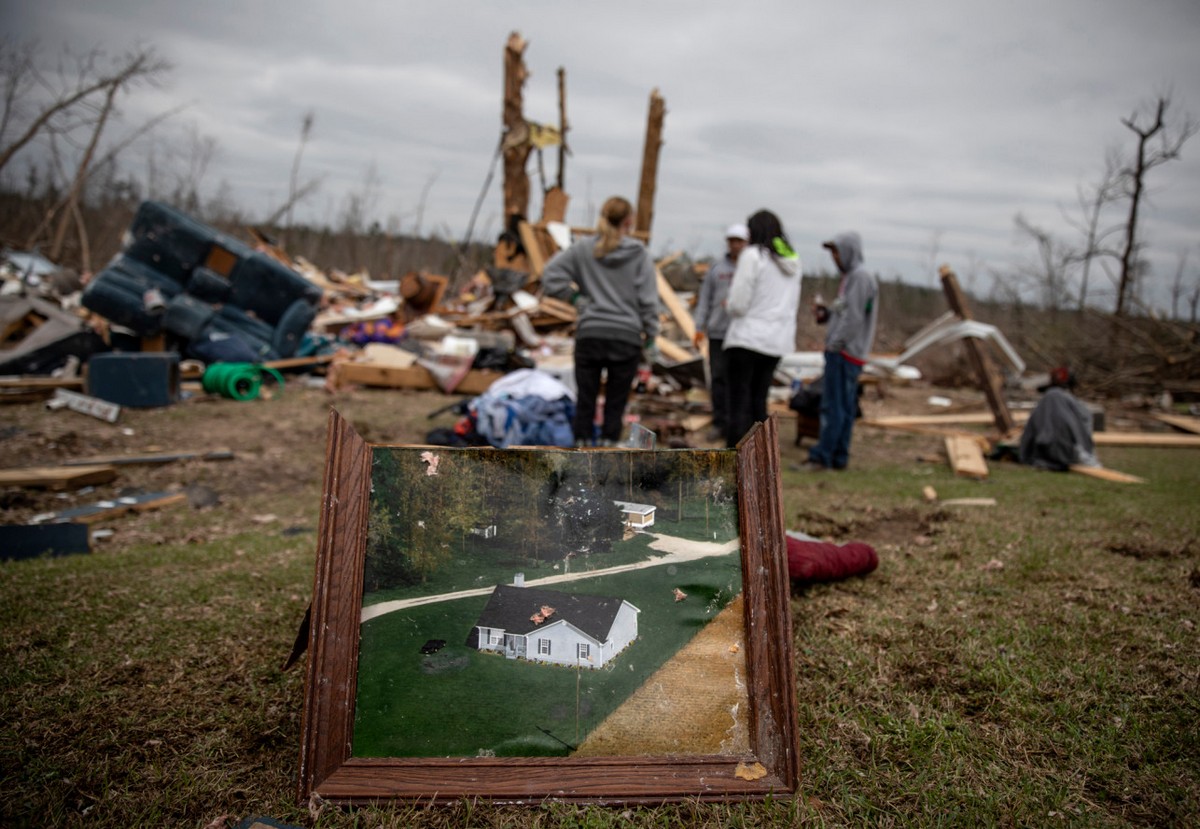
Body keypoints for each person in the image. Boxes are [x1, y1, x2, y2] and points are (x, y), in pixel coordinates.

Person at [542, 196, 660, 446]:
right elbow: (648, 300)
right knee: (615, 405)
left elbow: (550, 275)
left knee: (586, 399)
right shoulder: (639, 254)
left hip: (591, 334)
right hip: (626, 338)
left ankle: (580, 455)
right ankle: (608, 454)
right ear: (629, 221)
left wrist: (576, 298)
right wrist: (651, 337)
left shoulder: (583, 249)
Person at [723, 209, 802, 447]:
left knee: (738, 402)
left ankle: (734, 459)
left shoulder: (753, 255)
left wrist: (729, 305)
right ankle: (759, 459)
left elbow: (738, 303)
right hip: (776, 342)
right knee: (759, 401)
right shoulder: (793, 261)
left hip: (746, 339)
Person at [806, 231, 878, 470]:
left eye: (836, 251)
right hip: (846, 351)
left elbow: (854, 318)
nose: (834, 257)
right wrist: (826, 314)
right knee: (844, 407)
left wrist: (834, 345)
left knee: (833, 407)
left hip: (845, 353)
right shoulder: (850, 278)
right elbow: (844, 311)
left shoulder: (860, 277)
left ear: (849, 251)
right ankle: (838, 457)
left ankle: (823, 457)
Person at [691, 223, 749, 442]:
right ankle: (719, 422)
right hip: (717, 332)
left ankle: (739, 423)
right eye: (732, 241)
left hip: (742, 334)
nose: (735, 245)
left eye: (739, 241)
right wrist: (698, 327)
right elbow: (704, 299)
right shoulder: (717, 269)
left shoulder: (750, 268)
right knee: (718, 379)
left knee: (739, 380)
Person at [1018, 366, 1100, 470]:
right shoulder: (1072, 404)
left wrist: (1025, 455)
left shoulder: (1043, 403)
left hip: (1041, 454)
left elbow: (1028, 434)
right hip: (1067, 455)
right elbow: (1086, 424)